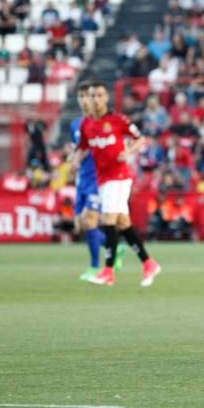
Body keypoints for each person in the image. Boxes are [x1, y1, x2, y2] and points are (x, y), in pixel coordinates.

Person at [72, 81, 161, 287]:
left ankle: (108, 271)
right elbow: (83, 147)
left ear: (106, 98)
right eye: (92, 96)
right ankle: (148, 263)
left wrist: (128, 151)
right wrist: (75, 161)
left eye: (99, 95)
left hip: (119, 176)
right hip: (102, 178)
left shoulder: (117, 119)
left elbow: (140, 139)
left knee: (108, 219)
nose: (95, 99)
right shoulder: (87, 124)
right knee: (122, 222)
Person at [70, 81, 124, 281]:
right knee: (80, 225)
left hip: (98, 177)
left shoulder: (102, 123)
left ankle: (95, 267)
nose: (85, 100)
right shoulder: (75, 124)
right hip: (82, 179)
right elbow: (78, 148)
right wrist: (73, 159)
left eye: (88, 96)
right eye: (81, 96)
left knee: (89, 219)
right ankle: (114, 247)